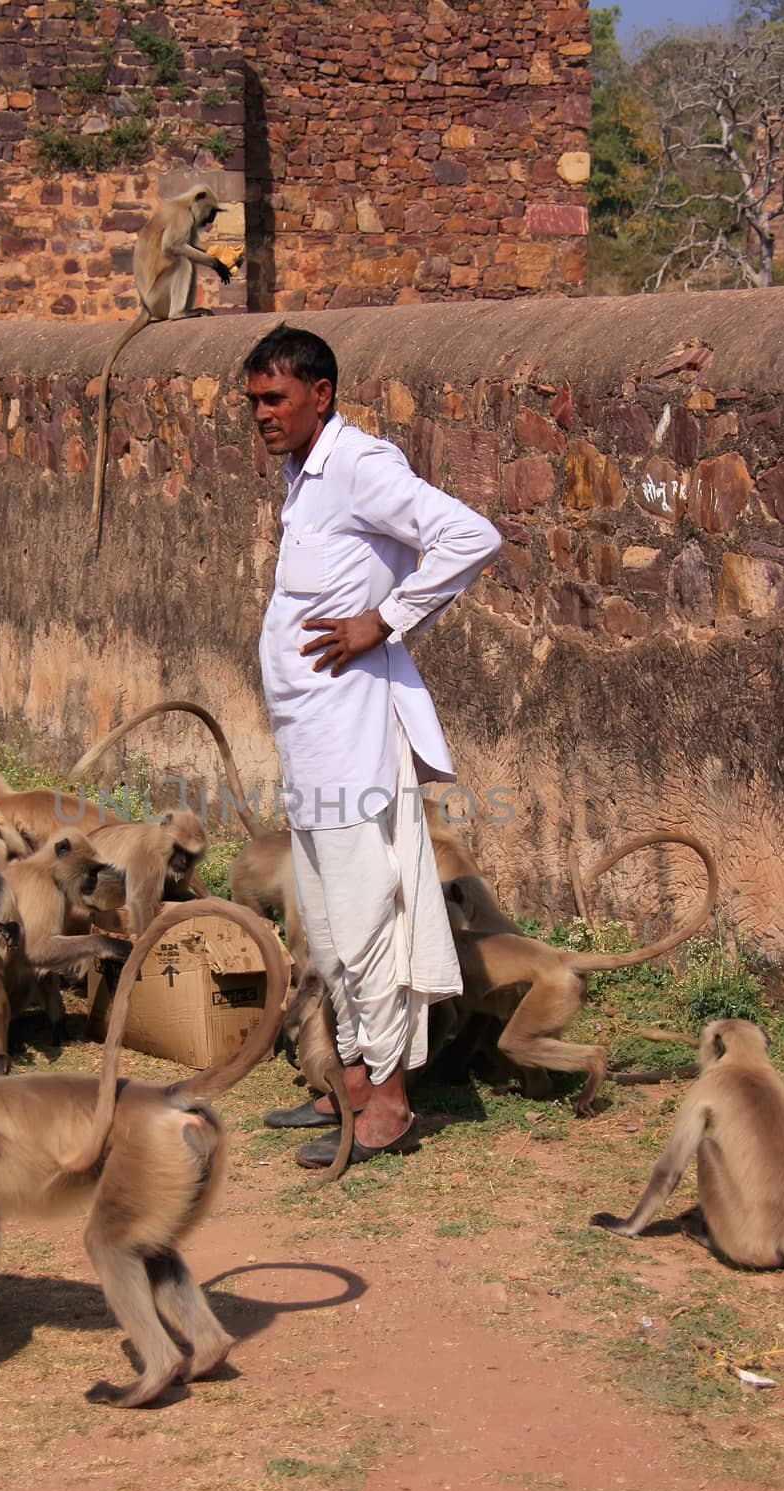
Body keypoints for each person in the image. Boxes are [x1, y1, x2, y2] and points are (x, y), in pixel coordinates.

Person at [243, 324, 502, 1169]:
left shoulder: (359, 466)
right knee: (324, 921)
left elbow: (470, 535)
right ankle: (348, 1084)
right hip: (312, 741)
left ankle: (389, 1101)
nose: (262, 415)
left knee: (366, 916)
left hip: (356, 740)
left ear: (320, 394)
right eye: (253, 402)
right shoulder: (303, 477)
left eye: (274, 398)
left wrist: (382, 621)